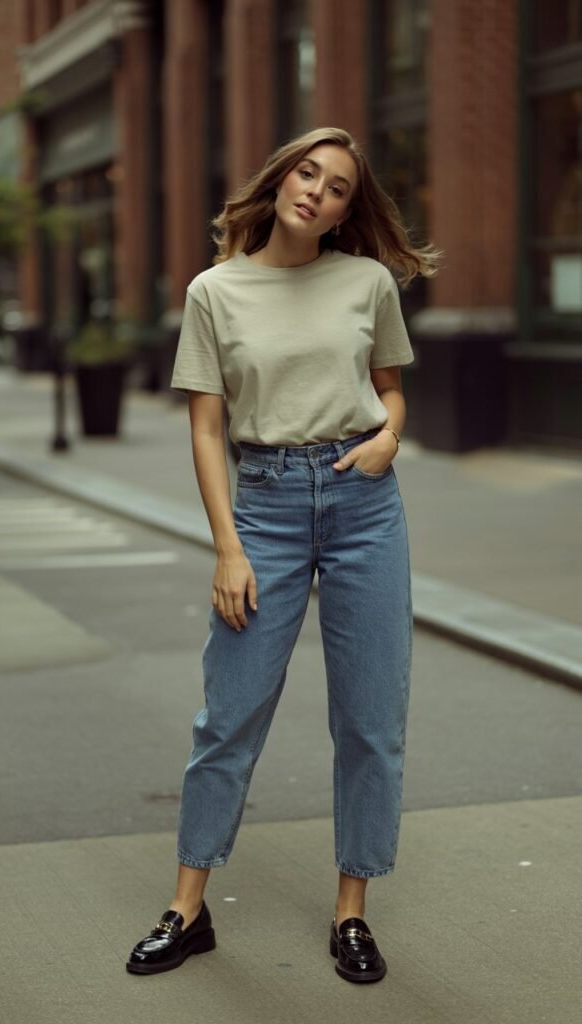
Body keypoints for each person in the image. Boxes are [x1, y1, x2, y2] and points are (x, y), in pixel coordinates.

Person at [126, 127, 442, 984]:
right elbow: (204, 426)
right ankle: (187, 910)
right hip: (261, 506)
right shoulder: (214, 292)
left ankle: (352, 914)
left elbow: (390, 390)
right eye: (309, 173)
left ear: (348, 209)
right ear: (280, 179)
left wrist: (390, 441)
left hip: (363, 503)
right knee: (227, 716)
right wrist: (227, 548)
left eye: (338, 186)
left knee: (371, 723)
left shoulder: (368, 281)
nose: (318, 192)